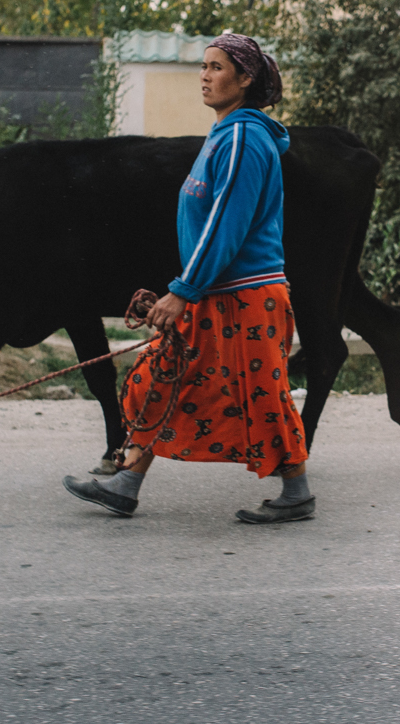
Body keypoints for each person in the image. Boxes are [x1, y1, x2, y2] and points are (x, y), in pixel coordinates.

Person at [62, 33, 314, 523]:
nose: (204, 75)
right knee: (159, 378)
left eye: (217, 67)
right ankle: (126, 483)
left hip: (245, 295)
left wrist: (182, 290)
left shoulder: (244, 137)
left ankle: (297, 491)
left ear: (245, 80)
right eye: (204, 66)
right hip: (216, 291)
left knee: (261, 394)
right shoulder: (224, 134)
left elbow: (226, 224)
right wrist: (189, 289)